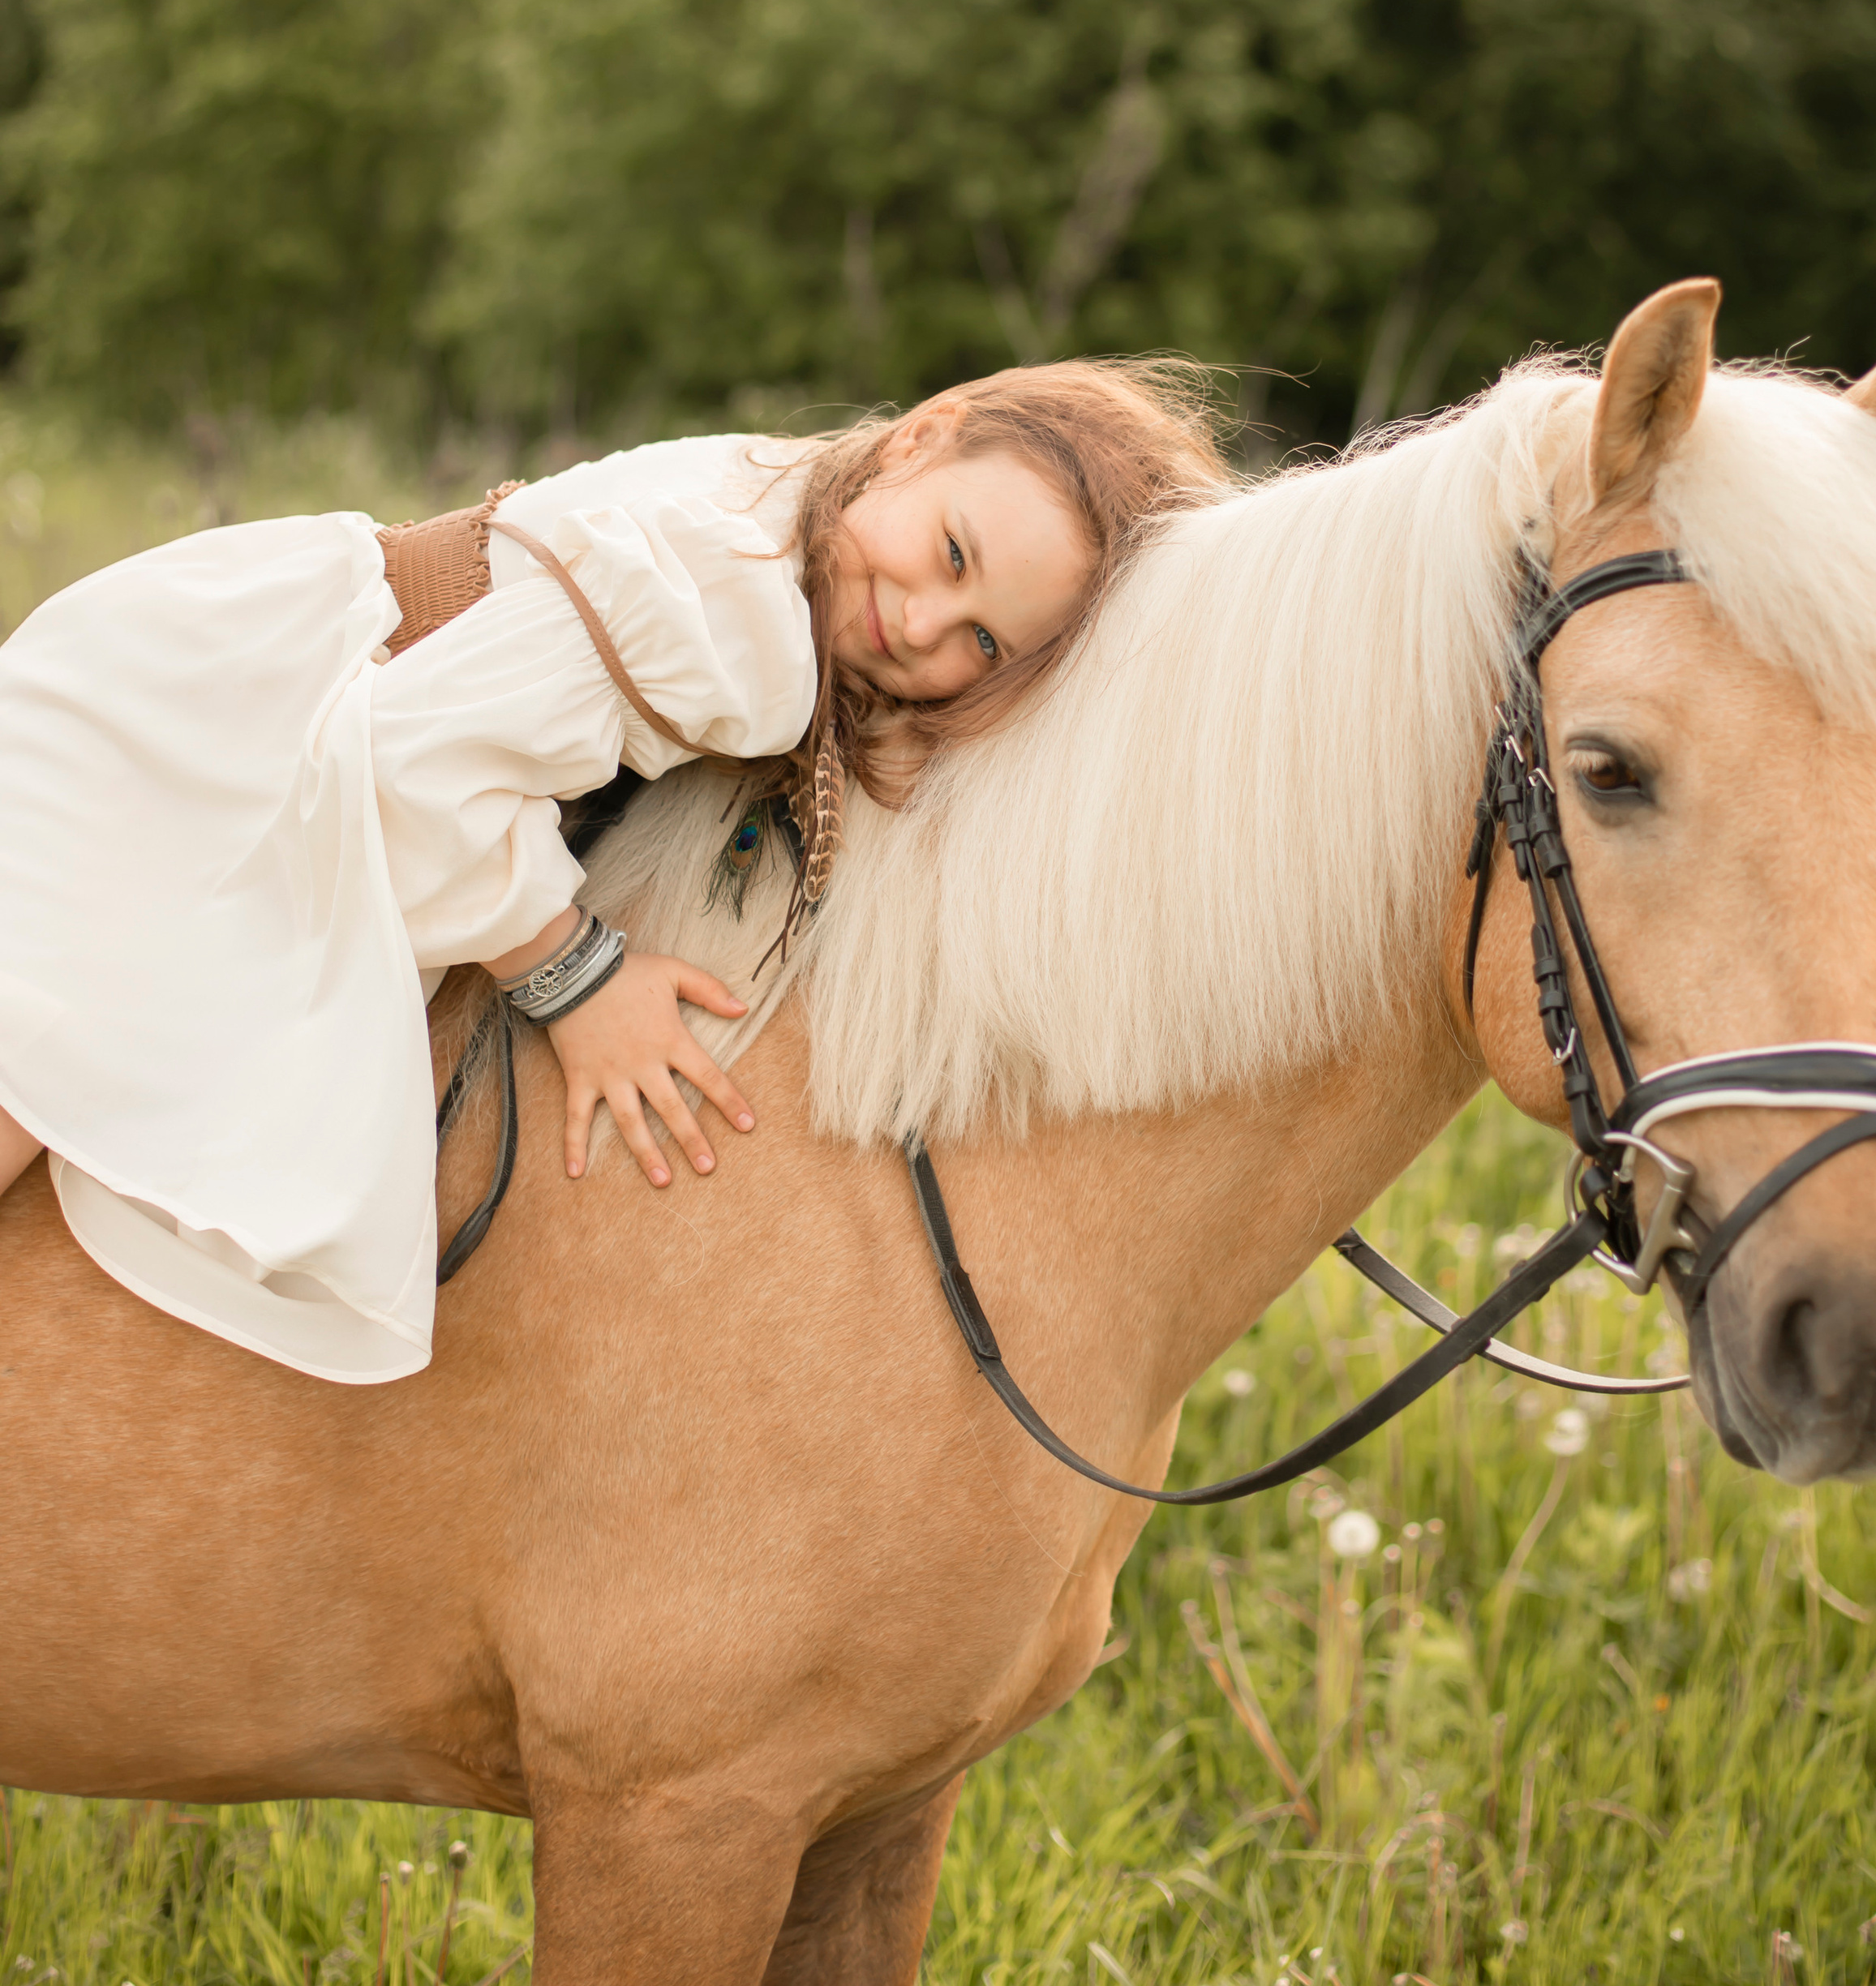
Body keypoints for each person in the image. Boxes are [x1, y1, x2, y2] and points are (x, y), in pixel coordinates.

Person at [0, 362, 1224, 1383]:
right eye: (949, 556)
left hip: (284, 671)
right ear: (925, 437)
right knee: (57, 1041)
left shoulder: (799, 510)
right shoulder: (729, 605)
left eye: (985, 643)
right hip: (224, 736)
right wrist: (574, 979)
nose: (919, 625)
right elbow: (417, 776)